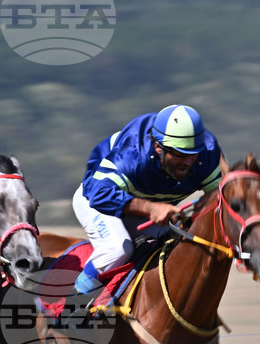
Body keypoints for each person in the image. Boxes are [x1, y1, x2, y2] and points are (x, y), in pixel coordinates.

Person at [72, 104, 223, 293]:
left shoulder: (206, 156)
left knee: (185, 243)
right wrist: (152, 209)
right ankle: (70, 300)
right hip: (97, 200)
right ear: (158, 147)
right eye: (179, 154)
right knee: (119, 249)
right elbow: (98, 195)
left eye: (193, 154)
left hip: (146, 210)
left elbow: (220, 198)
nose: (187, 162)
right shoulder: (133, 156)